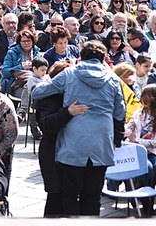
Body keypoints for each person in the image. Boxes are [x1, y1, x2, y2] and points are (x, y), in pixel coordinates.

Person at [32, 40, 126, 216]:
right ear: (103, 58)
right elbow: (120, 113)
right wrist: (117, 139)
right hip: (101, 142)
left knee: (70, 193)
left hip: (73, 142)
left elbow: (37, 92)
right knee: (93, 195)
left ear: (81, 57)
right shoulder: (113, 78)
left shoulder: (70, 73)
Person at [34, 60, 88, 217]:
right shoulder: (50, 98)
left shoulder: (75, 97)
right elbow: (46, 125)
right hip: (53, 152)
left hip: (71, 151)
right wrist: (67, 112)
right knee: (56, 197)